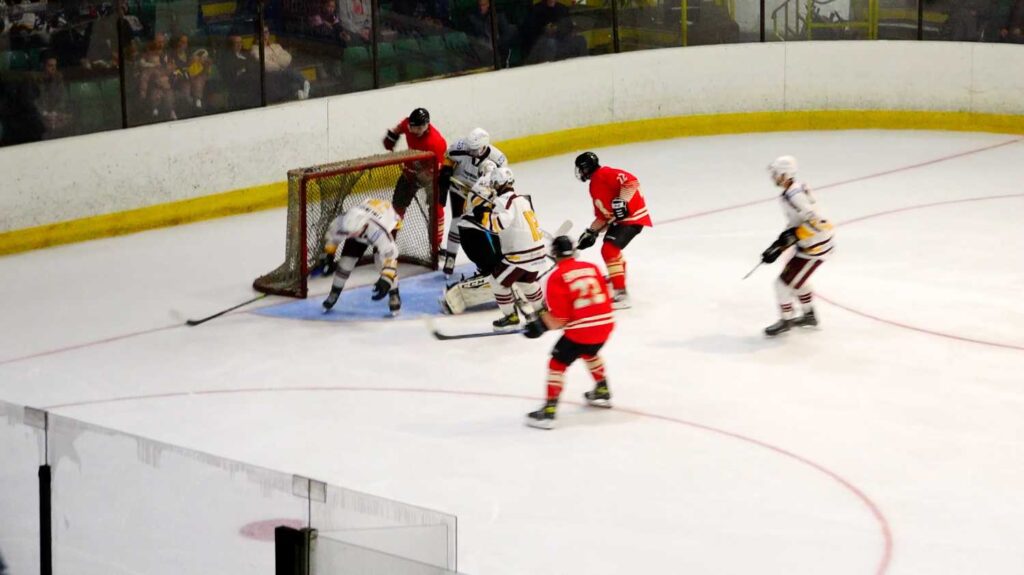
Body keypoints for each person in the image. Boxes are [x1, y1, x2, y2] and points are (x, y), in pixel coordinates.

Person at [521, 235, 615, 430]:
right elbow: (606, 295)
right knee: (590, 352)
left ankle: (549, 411)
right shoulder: (593, 267)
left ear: (554, 254)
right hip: (606, 324)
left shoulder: (556, 277)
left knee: (557, 363)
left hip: (582, 331)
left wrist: (538, 326)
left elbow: (559, 320)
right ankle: (602, 389)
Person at [760, 155, 834, 336]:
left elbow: (820, 223)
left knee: (782, 284)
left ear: (784, 174)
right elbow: (797, 221)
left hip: (815, 248)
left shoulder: (795, 195)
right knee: (798, 282)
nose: (773, 177)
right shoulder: (791, 192)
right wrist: (779, 244)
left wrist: (794, 235)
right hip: (809, 245)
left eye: (776, 173)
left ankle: (786, 320)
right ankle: (809, 315)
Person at [467, 166, 546, 329]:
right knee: (527, 282)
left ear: (499, 183)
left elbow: (498, 224)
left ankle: (510, 316)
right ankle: (542, 311)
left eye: (495, 183)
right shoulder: (522, 200)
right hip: (538, 252)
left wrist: (482, 214)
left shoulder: (504, 201)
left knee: (496, 282)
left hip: (519, 256)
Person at [573, 151, 652, 309]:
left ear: (585, 168)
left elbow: (631, 181)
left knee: (609, 250)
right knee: (609, 248)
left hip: (633, 218)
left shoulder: (605, 173)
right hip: (622, 221)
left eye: (580, 169)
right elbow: (603, 216)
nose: (580, 173)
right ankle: (617, 276)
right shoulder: (594, 185)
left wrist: (622, 201)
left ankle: (621, 294)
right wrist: (590, 232)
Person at [439, 127, 507, 275]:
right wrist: (446, 169)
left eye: (474, 149)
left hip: (479, 193)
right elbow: (449, 158)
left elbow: (500, 180)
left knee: (482, 225)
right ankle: (450, 257)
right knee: (457, 220)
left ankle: (490, 260)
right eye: (469, 148)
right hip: (459, 186)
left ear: (484, 147)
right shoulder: (460, 147)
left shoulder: (498, 159)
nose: (470, 152)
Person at [321, 198, 403, 315]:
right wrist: (329, 253)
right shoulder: (342, 223)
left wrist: (386, 278)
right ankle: (334, 293)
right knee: (345, 263)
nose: (352, 235)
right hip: (367, 218)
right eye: (350, 233)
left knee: (381, 263)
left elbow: (390, 254)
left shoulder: (378, 230)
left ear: (364, 226)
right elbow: (332, 237)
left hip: (388, 221)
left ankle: (394, 294)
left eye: (355, 232)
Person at [383, 107, 448, 247]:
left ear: (424, 126)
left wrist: (419, 175)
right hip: (410, 171)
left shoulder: (436, 143)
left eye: (415, 128)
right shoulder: (409, 125)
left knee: (437, 208)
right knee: (397, 208)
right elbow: (400, 127)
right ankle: (388, 243)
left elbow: (435, 170)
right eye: (410, 127)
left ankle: (436, 246)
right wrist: (392, 136)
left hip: (431, 175)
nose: (411, 130)